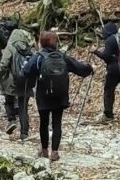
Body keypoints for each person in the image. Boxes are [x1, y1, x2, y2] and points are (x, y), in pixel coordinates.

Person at [29, 30, 93, 159]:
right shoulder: (63, 57)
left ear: (41, 42)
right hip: (60, 95)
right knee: (57, 123)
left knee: (44, 122)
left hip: (43, 95)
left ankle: (44, 150)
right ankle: (55, 152)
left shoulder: (39, 57)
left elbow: (26, 71)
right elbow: (80, 69)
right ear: (55, 43)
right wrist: (90, 68)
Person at [0, 22, 34, 140]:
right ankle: (24, 133)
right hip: (25, 81)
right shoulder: (29, 48)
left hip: (11, 81)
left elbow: (4, 64)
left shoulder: (10, 46)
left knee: (9, 101)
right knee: (23, 107)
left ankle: (11, 120)